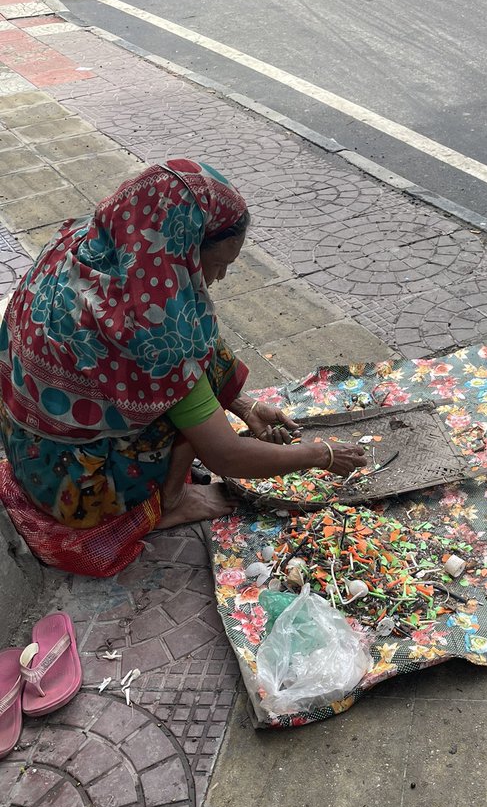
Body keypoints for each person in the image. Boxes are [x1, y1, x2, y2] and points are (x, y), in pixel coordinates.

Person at [0, 158, 367, 576]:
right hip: (76, 490)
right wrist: (321, 454)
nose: (222, 277)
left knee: (191, 357)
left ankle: (168, 471)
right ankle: (171, 501)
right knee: (183, 386)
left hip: (26, 447)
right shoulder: (152, 331)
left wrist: (245, 407)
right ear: (184, 251)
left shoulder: (82, 244)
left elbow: (196, 344)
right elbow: (227, 456)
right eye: (216, 264)